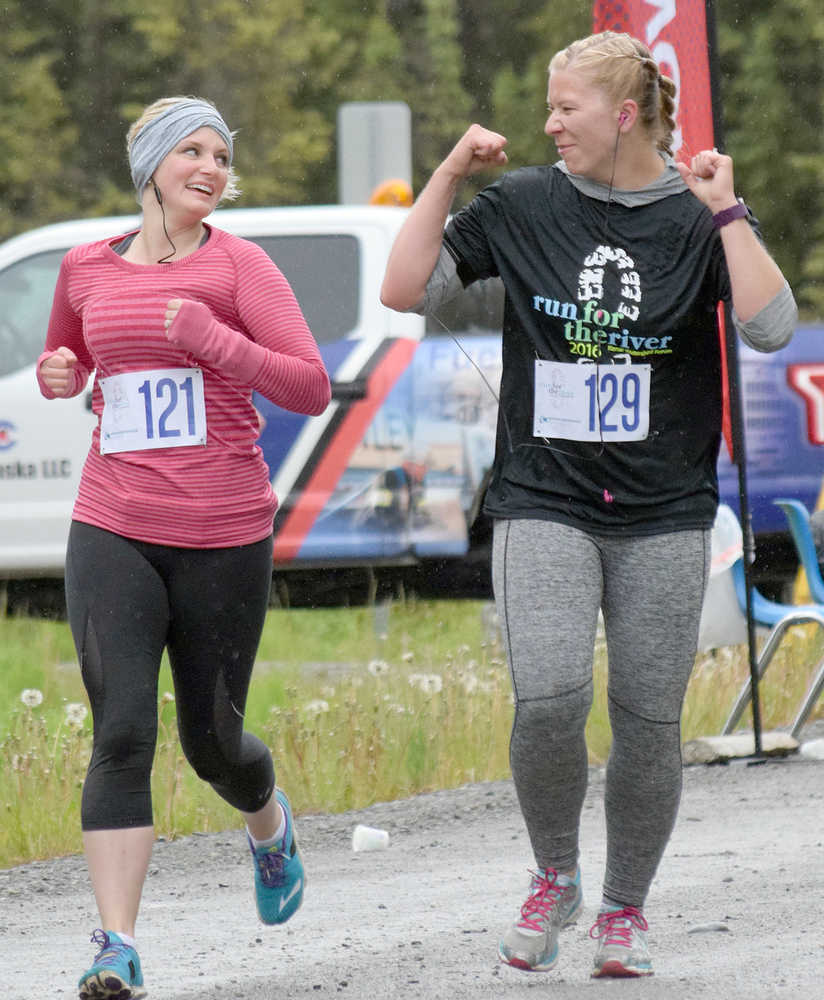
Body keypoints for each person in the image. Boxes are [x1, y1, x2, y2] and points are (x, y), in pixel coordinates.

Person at [381, 31, 796, 979]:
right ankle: (554, 875)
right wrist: (449, 169)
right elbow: (404, 287)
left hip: (665, 510)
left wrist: (728, 209)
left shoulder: (699, 216)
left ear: (620, 113)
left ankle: (624, 911)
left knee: (647, 718)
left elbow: (771, 328)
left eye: (563, 106)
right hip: (543, 499)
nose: (548, 122)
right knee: (552, 696)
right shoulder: (526, 201)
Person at [37, 96, 331, 1000]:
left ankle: (268, 824)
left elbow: (310, 386)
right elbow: (72, 357)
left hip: (223, 531)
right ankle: (114, 946)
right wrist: (64, 375)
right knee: (122, 731)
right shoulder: (86, 267)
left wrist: (214, 340)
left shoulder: (242, 268)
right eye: (192, 151)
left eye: (220, 154)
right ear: (153, 163)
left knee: (214, 744)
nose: (209, 167)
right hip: (112, 523)